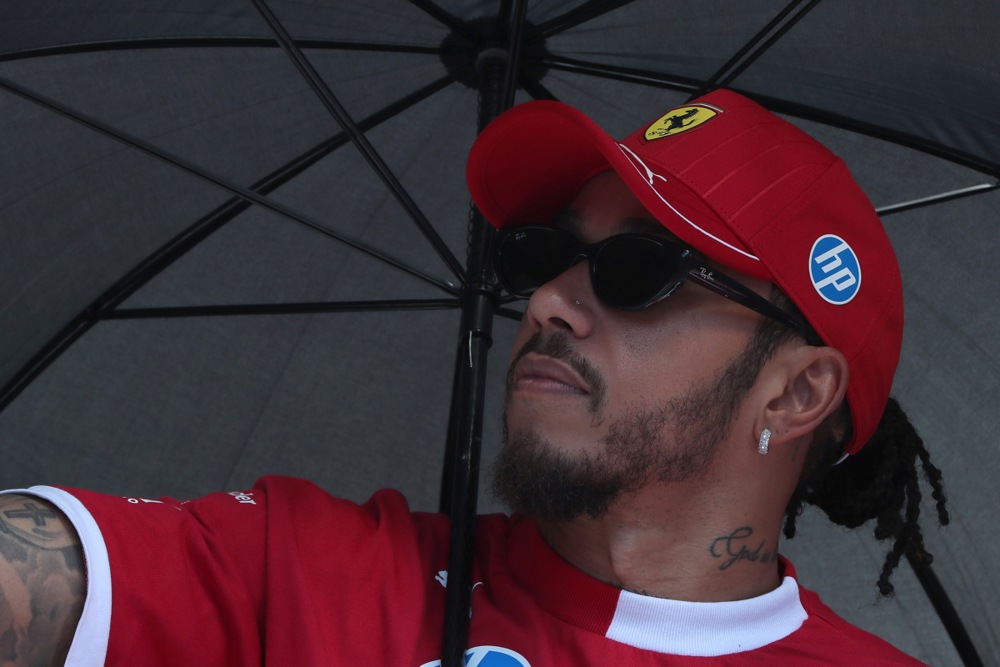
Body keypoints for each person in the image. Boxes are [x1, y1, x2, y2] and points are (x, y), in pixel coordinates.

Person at [0, 89, 947, 665]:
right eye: (544, 254)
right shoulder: (307, 572)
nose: (548, 302)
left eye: (638, 271)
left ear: (795, 393)